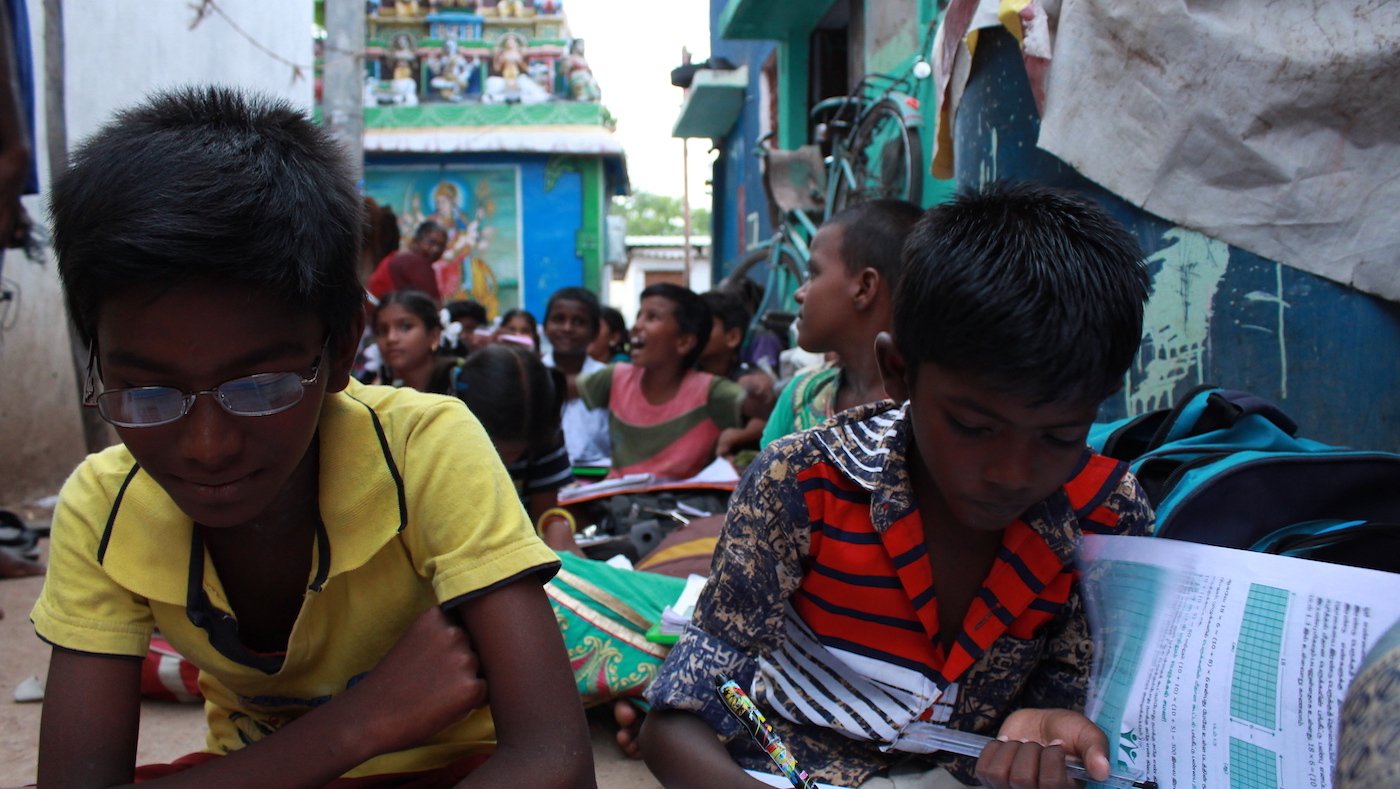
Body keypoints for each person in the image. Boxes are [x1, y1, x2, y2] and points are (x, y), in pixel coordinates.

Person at [32, 86, 592, 785]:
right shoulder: (101, 504)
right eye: (145, 392)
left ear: (341, 346)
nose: (207, 444)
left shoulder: (426, 448)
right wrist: (362, 722)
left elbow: (555, 761)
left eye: (258, 387)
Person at [639, 181, 1155, 788]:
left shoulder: (1106, 518)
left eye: (1059, 436)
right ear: (898, 373)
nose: (1013, 472)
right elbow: (676, 722)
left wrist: (1060, 737)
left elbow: (1083, 727)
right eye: (972, 426)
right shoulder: (803, 483)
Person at [760, 199, 922, 448]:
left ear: (864, 287)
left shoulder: (927, 411)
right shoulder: (800, 397)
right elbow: (763, 484)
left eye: (813, 274)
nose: (799, 294)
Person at [577, 283, 767, 481]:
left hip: (680, 504)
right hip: (615, 500)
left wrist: (759, 390)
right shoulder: (615, 376)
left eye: (652, 317)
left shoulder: (710, 390)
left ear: (684, 342)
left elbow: (763, 410)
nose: (636, 326)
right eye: (638, 316)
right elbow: (564, 389)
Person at [699, 289, 775, 460]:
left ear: (732, 337)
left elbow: (764, 418)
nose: (694, 334)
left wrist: (741, 434)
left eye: (703, 327)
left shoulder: (746, 378)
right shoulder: (685, 375)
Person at [541, 286, 612, 467]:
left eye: (579, 322)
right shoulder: (531, 374)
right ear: (545, 326)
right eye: (559, 319)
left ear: (595, 332)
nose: (567, 328)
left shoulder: (607, 379)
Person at [371, 289, 459, 392]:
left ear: (434, 336)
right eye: (382, 331)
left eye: (405, 327)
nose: (391, 338)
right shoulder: (381, 393)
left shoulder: (465, 380)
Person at [366, 220, 449, 305]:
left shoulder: (399, 255)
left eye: (441, 246)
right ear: (416, 241)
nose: (436, 250)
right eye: (431, 243)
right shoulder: (414, 261)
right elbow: (435, 306)